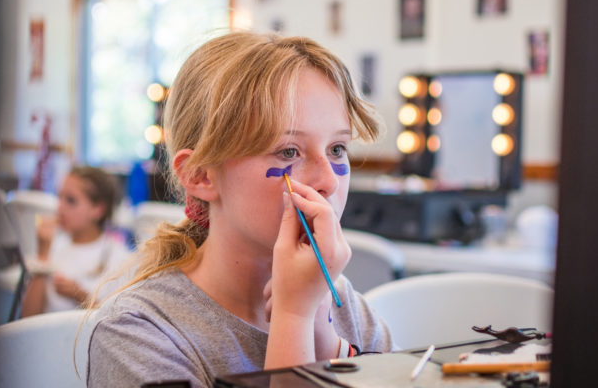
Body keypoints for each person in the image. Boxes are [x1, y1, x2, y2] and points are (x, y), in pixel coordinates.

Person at [86, 32, 397, 387]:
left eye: (337, 149)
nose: (329, 180)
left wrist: (329, 346)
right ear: (200, 175)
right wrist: (293, 316)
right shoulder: (139, 334)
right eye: (289, 152)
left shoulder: (339, 303)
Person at [21, 166, 133, 317]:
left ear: (98, 209)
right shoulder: (52, 244)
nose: (60, 207)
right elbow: (28, 318)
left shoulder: (119, 258)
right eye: (59, 197)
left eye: (71, 200)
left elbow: (118, 321)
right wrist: (42, 255)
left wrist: (80, 296)